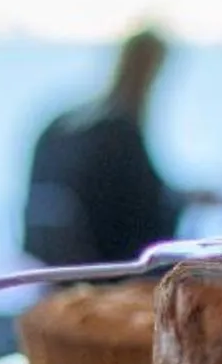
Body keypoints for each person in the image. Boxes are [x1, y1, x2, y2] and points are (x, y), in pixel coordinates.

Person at [21, 29, 183, 266]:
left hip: (54, 265)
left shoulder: (63, 124)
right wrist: (184, 201)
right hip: (109, 267)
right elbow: (142, 214)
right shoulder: (118, 133)